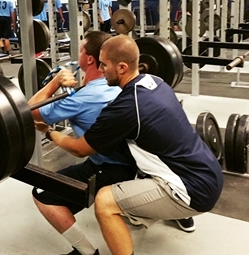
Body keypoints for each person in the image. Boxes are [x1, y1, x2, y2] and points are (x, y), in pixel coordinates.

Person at [35, 35, 224, 255]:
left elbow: (79, 149)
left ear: (122, 67)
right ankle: (176, 213)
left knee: (105, 202)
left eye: (104, 65)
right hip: (208, 171)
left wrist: (48, 131)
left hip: (192, 190)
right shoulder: (155, 82)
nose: (101, 69)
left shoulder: (125, 108)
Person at [28, 31, 137, 255]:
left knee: (42, 193)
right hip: (138, 162)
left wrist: (55, 82)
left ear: (89, 59)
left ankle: (86, 252)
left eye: (80, 50)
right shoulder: (120, 83)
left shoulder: (81, 99)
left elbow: (29, 111)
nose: (77, 54)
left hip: (110, 169)